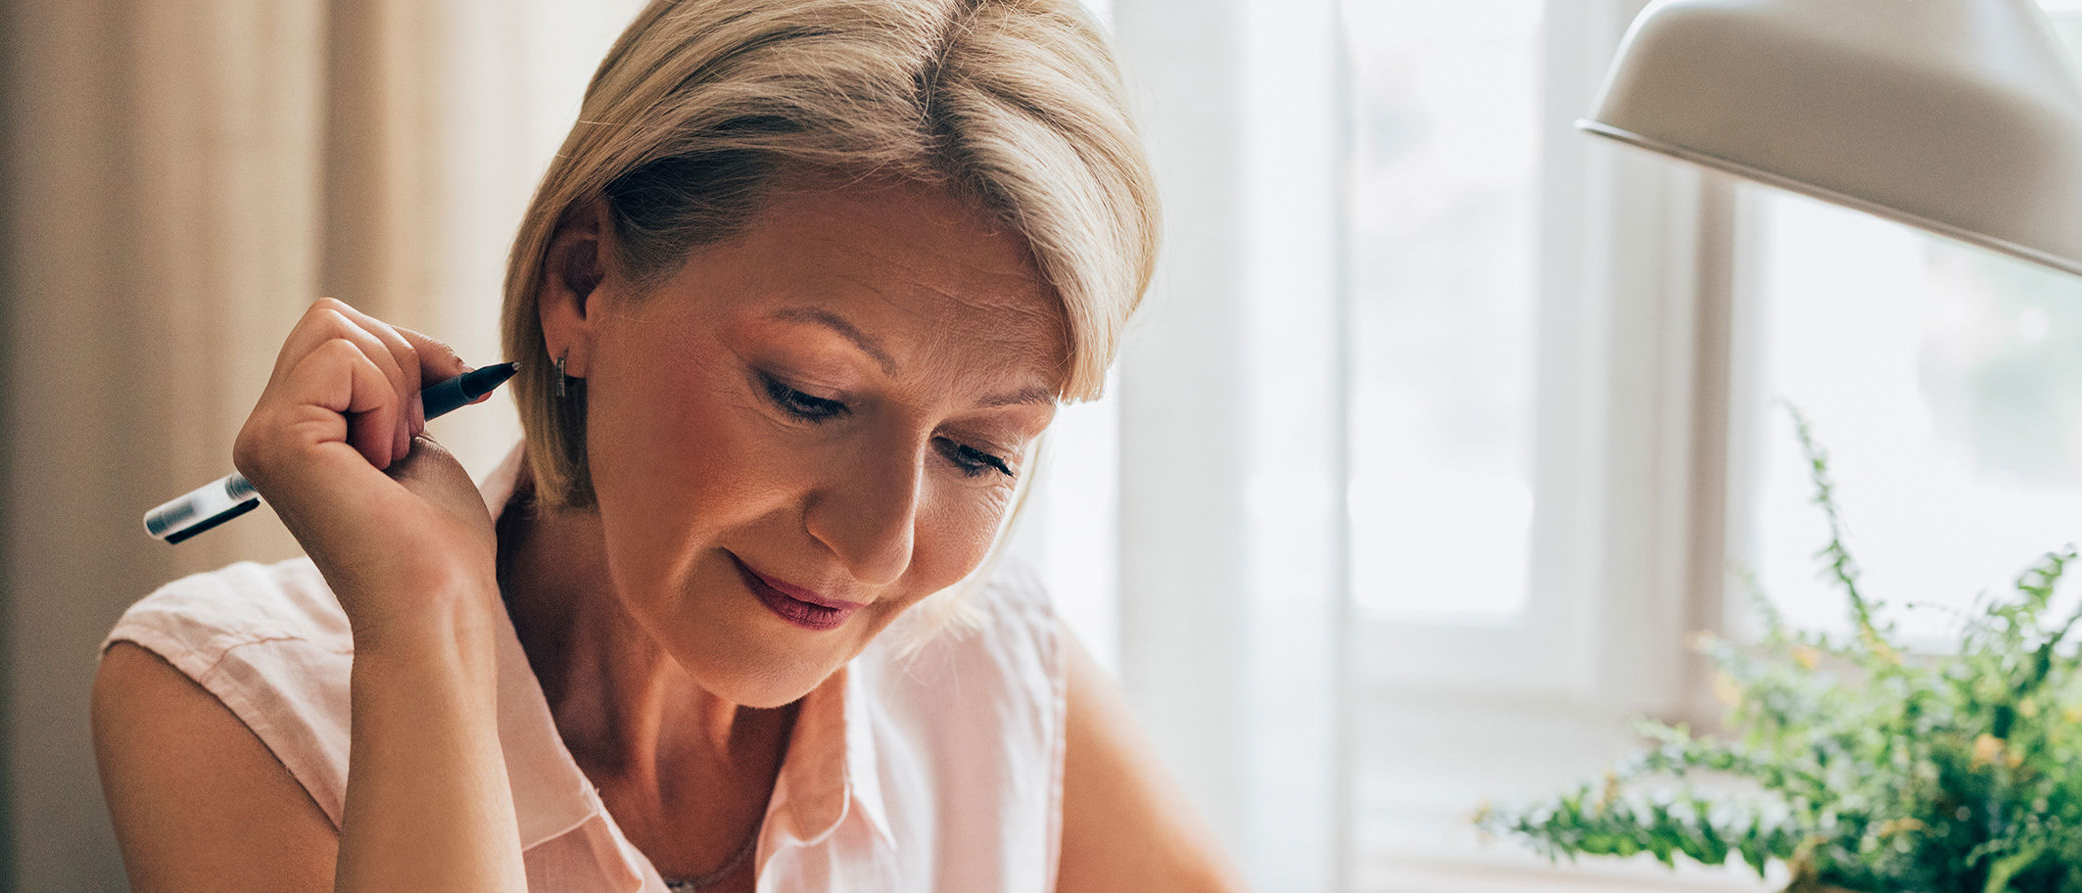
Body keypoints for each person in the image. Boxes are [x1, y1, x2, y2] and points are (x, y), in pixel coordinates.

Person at [88, 0, 1232, 889]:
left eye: (980, 453)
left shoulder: (988, 668)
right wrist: (427, 633)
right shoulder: (227, 699)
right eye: (809, 392)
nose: (879, 544)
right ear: (582, 283)